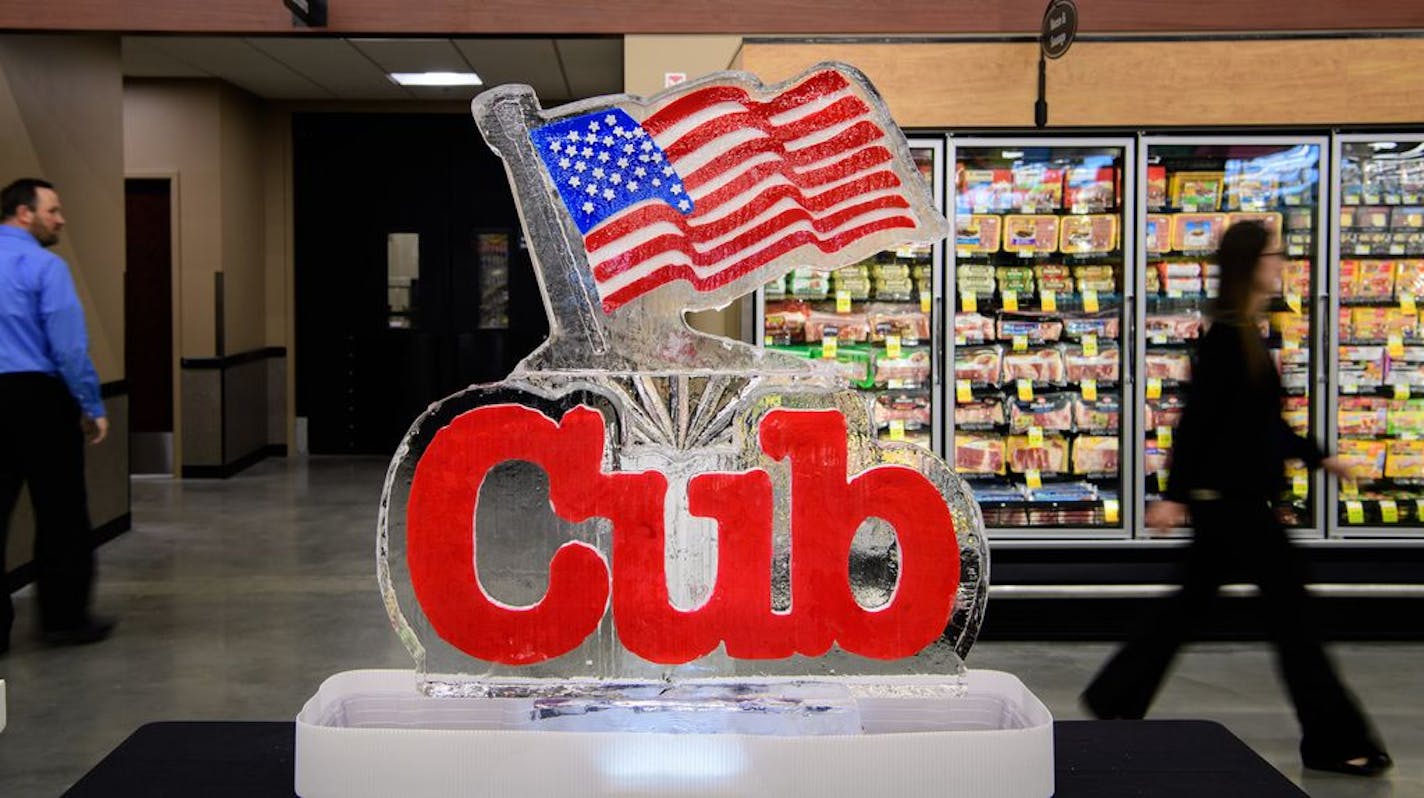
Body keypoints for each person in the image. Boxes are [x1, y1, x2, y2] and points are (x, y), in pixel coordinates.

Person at [1080, 220, 1390, 776]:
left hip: (1236, 507)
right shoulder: (1228, 338)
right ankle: (1334, 740)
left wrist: (1321, 457)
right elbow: (1196, 424)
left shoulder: (1247, 331)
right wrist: (1174, 495)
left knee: (1188, 611)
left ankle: (1115, 698)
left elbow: (1263, 423)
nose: (1283, 265)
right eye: (1276, 255)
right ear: (1251, 264)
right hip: (1233, 508)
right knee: (1294, 626)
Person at [0, 177, 115, 654]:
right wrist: (90, 404)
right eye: (53, 210)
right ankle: (64, 620)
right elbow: (67, 347)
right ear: (24, 214)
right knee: (61, 512)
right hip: (37, 398)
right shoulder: (44, 266)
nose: (61, 219)